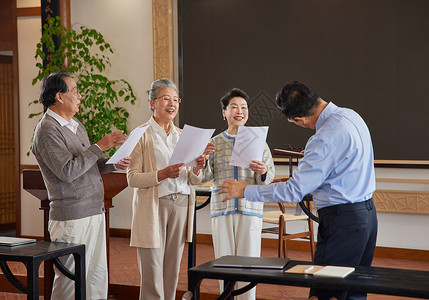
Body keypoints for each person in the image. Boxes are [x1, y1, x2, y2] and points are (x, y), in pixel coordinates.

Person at [219, 81, 377, 300]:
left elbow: (294, 191)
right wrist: (315, 160)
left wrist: (246, 190)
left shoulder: (323, 139)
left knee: (326, 292)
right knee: (354, 293)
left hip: (344, 222)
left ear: (298, 119)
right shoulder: (350, 116)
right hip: (368, 216)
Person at [32, 70, 130, 300]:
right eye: (75, 90)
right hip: (71, 217)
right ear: (59, 96)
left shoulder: (75, 124)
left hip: (94, 210)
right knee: (69, 282)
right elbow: (67, 172)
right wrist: (99, 145)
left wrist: (114, 163)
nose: (79, 95)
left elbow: (89, 164)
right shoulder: (47, 129)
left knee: (96, 277)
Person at [127, 78, 213, 300]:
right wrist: (162, 174)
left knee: (172, 269)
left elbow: (194, 180)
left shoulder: (184, 135)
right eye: (166, 98)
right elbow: (132, 178)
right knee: (152, 269)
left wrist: (197, 168)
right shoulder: (141, 134)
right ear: (152, 103)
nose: (171, 103)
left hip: (182, 203)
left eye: (175, 99)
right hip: (153, 206)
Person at [203, 88, 275, 300]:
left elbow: (269, 175)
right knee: (223, 265)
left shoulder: (259, 140)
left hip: (250, 208)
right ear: (223, 112)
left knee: (249, 266)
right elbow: (206, 176)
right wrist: (203, 160)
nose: (240, 111)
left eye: (244, 107)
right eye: (234, 107)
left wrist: (263, 171)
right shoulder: (213, 143)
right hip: (221, 208)